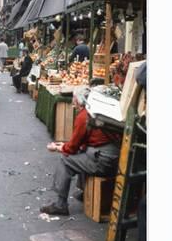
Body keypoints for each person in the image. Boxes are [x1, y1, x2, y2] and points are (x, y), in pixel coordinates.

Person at [39, 87, 120, 216]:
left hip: (103, 160)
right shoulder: (98, 111)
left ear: (78, 100)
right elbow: (79, 144)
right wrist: (65, 145)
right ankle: (84, 192)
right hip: (113, 157)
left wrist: (58, 148)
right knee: (81, 154)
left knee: (65, 161)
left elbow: (71, 148)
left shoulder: (84, 116)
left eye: (74, 100)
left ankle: (61, 204)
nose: (73, 103)